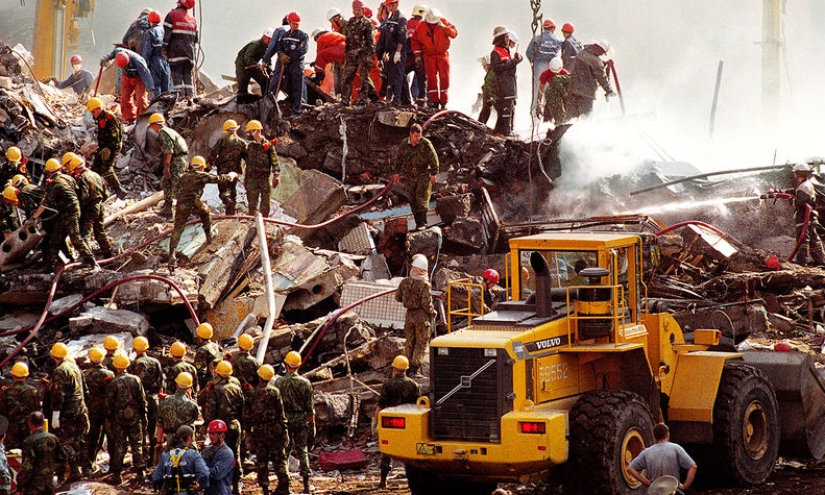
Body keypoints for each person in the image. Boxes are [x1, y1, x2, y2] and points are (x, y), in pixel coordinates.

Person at [168, 156, 237, 267]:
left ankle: (172, 253)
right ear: (201, 167)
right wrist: (231, 175)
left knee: (178, 228)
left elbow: (176, 191)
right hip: (193, 203)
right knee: (206, 212)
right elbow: (219, 179)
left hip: (181, 205)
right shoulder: (201, 175)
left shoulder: (183, 176)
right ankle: (209, 235)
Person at [30, 158, 98, 271]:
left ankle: (92, 262)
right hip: (70, 211)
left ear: (48, 172)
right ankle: (48, 266)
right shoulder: (68, 177)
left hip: (70, 212)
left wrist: (33, 218)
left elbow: (45, 204)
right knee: (55, 238)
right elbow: (76, 190)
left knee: (75, 238)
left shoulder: (55, 183)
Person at [243, 364, 289, 495]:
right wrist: (285, 432)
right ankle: (285, 486)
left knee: (262, 461)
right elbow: (281, 414)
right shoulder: (275, 392)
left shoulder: (251, 394)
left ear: (259, 377)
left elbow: (246, 416)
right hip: (275, 431)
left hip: (258, 432)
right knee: (279, 459)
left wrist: (248, 433)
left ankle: (265, 489)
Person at [46, 342, 89, 482]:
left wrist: (56, 414)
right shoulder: (74, 367)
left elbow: (58, 395)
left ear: (53, 356)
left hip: (68, 412)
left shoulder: (59, 371)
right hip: (80, 409)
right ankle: (84, 468)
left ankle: (75, 470)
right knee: (77, 440)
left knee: (64, 441)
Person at [375, 355, 419, 488]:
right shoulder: (414, 385)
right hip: (408, 422)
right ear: (406, 369)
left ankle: (383, 481)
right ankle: (412, 483)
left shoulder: (388, 385)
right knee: (410, 452)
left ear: (394, 369)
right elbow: (418, 406)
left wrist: (376, 423)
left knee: (387, 452)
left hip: (391, 422)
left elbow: (381, 406)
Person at [275, 351, 315, 494]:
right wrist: (312, 425)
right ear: (299, 365)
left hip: (285, 419)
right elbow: (310, 408)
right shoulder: (305, 383)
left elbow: (277, 405)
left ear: (286, 364)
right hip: (300, 419)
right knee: (302, 450)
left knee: (285, 451)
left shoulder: (279, 382)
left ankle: (285, 485)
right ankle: (306, 485)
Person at [201, 361, 245, 495]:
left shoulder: (215, 389)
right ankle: (236, 485)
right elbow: (242, 408)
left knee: (218, 455)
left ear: (218, 373)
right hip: (235, 425)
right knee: (235, 455)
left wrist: (208, 425)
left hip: (220, 428)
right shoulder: (236, 387)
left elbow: (211, 412)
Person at [105, 353, 147, 484]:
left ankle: (117, 474)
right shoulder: (136, 380)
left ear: (116, 367)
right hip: (135, 417)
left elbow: (109, 404)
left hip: (119, 419)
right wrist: (144, 416)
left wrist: (110, 420)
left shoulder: (113, 383)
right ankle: (140, 472)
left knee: (120, 445)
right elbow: (142, 400)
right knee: (137, 444)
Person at [64, 152, 114, 259]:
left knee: (84, 234)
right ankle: (108, 254)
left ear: (76, 169)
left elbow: (84, 197)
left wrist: (78, 209)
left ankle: (87, 258)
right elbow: (106, 194)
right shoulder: (96, 175)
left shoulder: (82, 178)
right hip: (100, 206)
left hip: (90, 209)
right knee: (99, 231)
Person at [627, 423, 697, 494]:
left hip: (655, 492)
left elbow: (630, 468)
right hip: (671, 491)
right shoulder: (676, 448)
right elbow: (693, 467)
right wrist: (684, 486)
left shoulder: (646, 452)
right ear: (667, 434)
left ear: (654, 436)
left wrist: (648, 483)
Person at [395, 254, 436, 375]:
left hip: (409, 315)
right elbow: (426, 303)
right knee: (421, 343)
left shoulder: (404, 282)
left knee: (409, 341)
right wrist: (433, 312)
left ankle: (405, 367)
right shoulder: (425, 285)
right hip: (422, 317)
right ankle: (414, 369)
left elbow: (398, 297)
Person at [395, 123, 438, 230]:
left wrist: (434, 173)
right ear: (410, 134)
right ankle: (418, 223)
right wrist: (396, 172)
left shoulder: (426, 144)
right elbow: (399, 158)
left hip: (423, 173)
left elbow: (434, 158)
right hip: (410, 175)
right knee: (412, 198)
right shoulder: (404, 144)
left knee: (421, 196)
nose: (418, 138)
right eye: (415, 136)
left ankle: (423, 222)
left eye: (419, 136)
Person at [129, 336, 165, 461]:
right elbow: (161, 383)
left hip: (139, 400)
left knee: (141, 430)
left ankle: (143, 458)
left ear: (134, 349)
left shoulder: (133, 364)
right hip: (154, 399)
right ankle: (154, 457)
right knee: (153, 428)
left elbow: (132, 385)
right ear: (147, 347)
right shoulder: (156, 362)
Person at [414, 9, 457, 109]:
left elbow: (454, 33)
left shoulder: (444, 22)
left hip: (442, 55)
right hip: (429, 56)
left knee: (444, 77)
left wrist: (445, 28)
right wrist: (417, 55)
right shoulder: (421, 26)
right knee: (431, 79)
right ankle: (434, 102)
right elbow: (415, 41)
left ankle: (444, 102)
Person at [148, 113, 189, 218]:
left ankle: (187, 211)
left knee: (177, 185)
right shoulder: (168, 131)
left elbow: (169, 151)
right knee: (166, 182)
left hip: (177, 160)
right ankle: (167, 209)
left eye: (151, 126)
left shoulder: (163, 133)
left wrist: (166, 167)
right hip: (179, 159)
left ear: (154, 124)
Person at [81, 347, 114, 476]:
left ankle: (89, 464)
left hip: (92, 410)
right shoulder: (109, 374)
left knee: (91, 437)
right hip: (106, 410)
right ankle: (113, 465)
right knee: (110, 437)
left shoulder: (85, 374)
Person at [17, 412, 67, 495]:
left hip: (34, 486)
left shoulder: (29, 442)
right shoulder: (53, 438)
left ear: (30, 423)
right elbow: (63, 458)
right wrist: (59, 476)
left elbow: (27, 468)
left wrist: (20, 487)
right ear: (43, 423)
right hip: (49, 484)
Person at [100, 48, 156, 123]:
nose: (124, 67)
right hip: (126, 77)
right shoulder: (118, 52)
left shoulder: (138, 61)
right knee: (125, 98)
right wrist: (106, 58)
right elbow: (113, 53)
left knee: (141, 100)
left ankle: (142, 119)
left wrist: (150, 89)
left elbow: (146, 75)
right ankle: (130, 119)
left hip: (139, 78)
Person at [151, 425, 210, 495]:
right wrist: (201, 486)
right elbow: (204, 474)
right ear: (189, 438)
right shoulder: (193, 454)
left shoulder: (165, 455)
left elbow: (156, 477)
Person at [86, 97, 127, 199]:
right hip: (104, 147)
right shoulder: (101, 118)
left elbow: (115, 136)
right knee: (95, 168)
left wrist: (108, 149)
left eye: (93, 112)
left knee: (106, 169)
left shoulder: (109, 117)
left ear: (99, 109)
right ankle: (95, 191)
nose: (92, 114)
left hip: (112, 147)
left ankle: (119, 190)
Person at [565, 40, 615, 120]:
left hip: (573, 89)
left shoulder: (582, 52)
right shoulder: (597, 62)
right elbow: (602, 78)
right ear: (601, 50)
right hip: (586, 94)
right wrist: (609, 90)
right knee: (586, 118)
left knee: (570, 117)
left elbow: (588, 65)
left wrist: (603, 63)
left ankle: (566, 127)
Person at [340, 0, 376, 106]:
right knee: (346, 77)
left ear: (363, 10)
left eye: (359, 9)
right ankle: (345, 100)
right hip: (350, 55)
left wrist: (370, 56)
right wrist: (345, 55)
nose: (356, 12)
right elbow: (347, 39)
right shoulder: (350, 22)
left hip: (362, 54)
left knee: (363, 78)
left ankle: (362, 100)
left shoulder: (367, 23)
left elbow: (371, 41)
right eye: (355, 9)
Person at [207, 119, 247, 215]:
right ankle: (231, 215)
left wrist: (210, 163)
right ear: (236, 130)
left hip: (223, 170)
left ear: (227, 131)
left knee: (223, 192)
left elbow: (214, 153)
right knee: (232, 190)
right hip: (235, 171)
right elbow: (247, 157)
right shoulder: (242, 143)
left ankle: (228, 202)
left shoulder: (222, 141)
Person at [789, 163, 825, 266]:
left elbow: (798, 203)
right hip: (811, 218)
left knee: (802, 241)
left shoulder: (803, 187)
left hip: (804, 219)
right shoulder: (806, 184)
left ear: (798, 173)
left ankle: (801, 263)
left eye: (795, 173)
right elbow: (798, 194)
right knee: (814, 241)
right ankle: (821, 262)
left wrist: (790, 199)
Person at [376, 0, 410, 106]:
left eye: (392, 5)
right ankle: (405, 100)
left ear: (396, 4)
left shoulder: (400, 18)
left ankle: (397, 100)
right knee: (393, 76)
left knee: (397, 76)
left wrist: (398, 52)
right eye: (389, 5)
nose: (390, 7)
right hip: (390, 52)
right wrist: (381, 55)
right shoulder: (391, 18)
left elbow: (402, 37)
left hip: (398, 52)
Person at [243, 120, 280, 217]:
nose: (249, 134)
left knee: (265, 204)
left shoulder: (268, 146)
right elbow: (247, 163)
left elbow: (274, 160)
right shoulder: (250, 147)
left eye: (250, 131)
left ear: (257, 131)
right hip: (252, 179)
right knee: (252, 205)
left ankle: (264, 221)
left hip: (264, 179)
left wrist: (276, 175)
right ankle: (252, 221)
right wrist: (246, 179)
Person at [164, 0, 199, 101]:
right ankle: (190, 98)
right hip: (190, 54)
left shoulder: (172, 15)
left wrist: (164, 49)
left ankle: (180, 99)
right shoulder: (193, 19)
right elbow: (196, 39)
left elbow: (166, 37)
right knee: (188, 74)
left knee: (177, 74)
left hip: (176, 52)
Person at [0, 362, 40, 451]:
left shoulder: (6, 392)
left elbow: (2, 412)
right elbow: (37, 411)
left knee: (12, 454)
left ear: (13, 375)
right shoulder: (33, 391)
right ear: (26, 375)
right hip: (29, 429)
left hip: (12, 430)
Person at [275, 12, 308, 118]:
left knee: (298, 89)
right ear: (289, 23)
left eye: (297, 24)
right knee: (287, 86)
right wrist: (281, 54)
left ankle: (297, 111)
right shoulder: (285, 36)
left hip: (297, 66)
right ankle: (291, 106)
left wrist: (289, 58)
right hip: (287, 67)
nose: (295, 25)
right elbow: (279, 47)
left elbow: (302, 50)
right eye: (294, 23)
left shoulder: (303, 36)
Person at [490, 25, 522, 136]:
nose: (508, 39)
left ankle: (500, 131)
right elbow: (497, 68)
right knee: (505, 110)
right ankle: (506, 132)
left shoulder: (506, 50)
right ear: (501, 38)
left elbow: (509, 64)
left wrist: (517, 58)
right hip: (503, 86)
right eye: (506, 37)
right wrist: (514, 62)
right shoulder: (495, 52)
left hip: (510, 85)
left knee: (510, 108)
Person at [525, 18, 561, 114]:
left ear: (543, 28)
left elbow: (528, 53)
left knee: (537, 93)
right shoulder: (558, 40)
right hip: (552, 69)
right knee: (550, 93)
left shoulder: (536, 38)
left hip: (538, 67)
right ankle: (547, 117)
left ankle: (534, 115)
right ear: (553, 28)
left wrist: (534, 62)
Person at [156, 372, 200, 451]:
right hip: (188, 441)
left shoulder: (165, 401)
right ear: (189, 387)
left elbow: (160, 425)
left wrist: (159, 442)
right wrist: (190, 398)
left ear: (176, 385)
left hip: (171, 441)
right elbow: (196, 417)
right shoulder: (191, 404)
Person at [235, 28, 273, 96]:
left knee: (265, 80)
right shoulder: (255, 44)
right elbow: (247, 58)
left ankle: (265, 97)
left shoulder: (266, 48)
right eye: (268, 39)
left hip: (253, 66)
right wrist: (258, 66)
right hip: (242, 66)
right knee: (242, 88)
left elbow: (267, 62)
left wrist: (271, 72)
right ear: (264, 37)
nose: (270, 41)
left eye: (271, 39)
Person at [143, 10, 172, 96]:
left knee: (156, 88)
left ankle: (157, 104)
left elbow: (147, 51)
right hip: (165, 62)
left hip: (155, 62)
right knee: (165, 89)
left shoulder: (149, 32)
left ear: (150, 21)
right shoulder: (164, 31)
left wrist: (145, 65)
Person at [202, 419, 235, 495]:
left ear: (222, 434)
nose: (210, 437)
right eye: (209, 434)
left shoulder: (227, 453)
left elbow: (216, 474)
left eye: (213, 434)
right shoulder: (207, 450)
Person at [405, 4, 428, 101]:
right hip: (420, 56)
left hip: (408, 55)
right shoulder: (424, 25)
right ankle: (421, 99)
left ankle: (405, 99)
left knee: (402, 75)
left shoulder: (407, 23)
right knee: (421, 79)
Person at [537, 57, 570, 124]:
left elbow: (569, 93)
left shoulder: (566, 74)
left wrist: (567, 109)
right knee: (547, 115)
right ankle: (547, 123)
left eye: (557, 73)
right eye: (553, 72)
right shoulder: (545, 73)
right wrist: (539, 105)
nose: (555, 74)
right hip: (551, 96)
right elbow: (540, 91)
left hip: (563, 95)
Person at [193, 323, 223, 390]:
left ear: (199, 336)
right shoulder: (217, 346)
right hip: (219, 380)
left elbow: (200, 371)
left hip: (208, 384)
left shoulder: (202, 350)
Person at [477, 55, 497, 125]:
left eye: (484, 66)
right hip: (495, 98)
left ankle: (480, 124)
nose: (483, 68)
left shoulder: (491, 74)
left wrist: (489, 97)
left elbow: (489, 87)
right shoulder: (493, 72)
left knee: (486, 109)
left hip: (494, 99)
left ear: (488, 65)